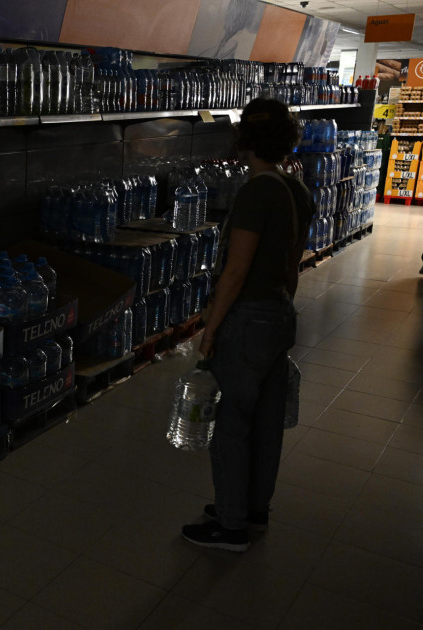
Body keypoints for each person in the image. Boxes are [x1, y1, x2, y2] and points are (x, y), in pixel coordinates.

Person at [181, 98, 315, 552]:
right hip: (278, 313)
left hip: (248, 319)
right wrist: (279, 310)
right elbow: (292, 266)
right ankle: (254, 509)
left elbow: (236, 271)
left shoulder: (257, 192)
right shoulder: (296, 190)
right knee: (265, 422)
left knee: (232, 423)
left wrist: (211, 330)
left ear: (245, 139)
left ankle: (231, 524)